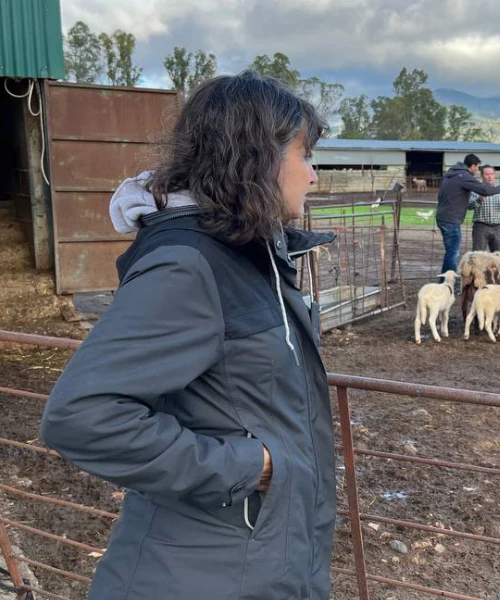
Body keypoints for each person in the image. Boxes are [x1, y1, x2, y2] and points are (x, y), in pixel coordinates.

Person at [39, 71, 337, 600]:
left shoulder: (252, 253)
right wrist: (247, 467)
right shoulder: (188, 264)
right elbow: (81, 416)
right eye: (305, 154)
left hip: (255, 565)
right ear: (260, 156)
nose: (313, 176)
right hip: (197, 577)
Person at [436, 153, 500, 279]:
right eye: (477, 168)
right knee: (453, 253)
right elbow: (485, 190)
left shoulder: (451, 174)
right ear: (473, 166)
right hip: (452, 219)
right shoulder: (463, 176)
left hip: (443, 216)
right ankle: (451, 281)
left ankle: (445, 279)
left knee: (450, 252)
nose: (477, 170)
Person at [468, 165, 500, 251]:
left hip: (497, 227)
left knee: (497, 256)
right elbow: (469, 206)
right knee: (478, 255)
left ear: (494, 175)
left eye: (491, 174)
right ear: (482, 176)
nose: (490, 176)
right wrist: (479, 200)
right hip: (481, 227)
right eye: (487, 174)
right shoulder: (476, 189)